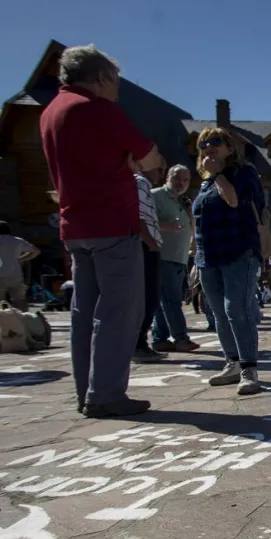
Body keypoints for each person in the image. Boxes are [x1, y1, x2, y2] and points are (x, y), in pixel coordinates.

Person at [40, 44, 164, 418]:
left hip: (75, 226)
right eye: (115, 83)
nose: (118, 91)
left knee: (84, 312)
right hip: (112, 222)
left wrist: (127, 160)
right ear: (101, 78)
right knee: (119, 311)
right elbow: (151, 156)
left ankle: (88, 391)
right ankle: (107, 393)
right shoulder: (96, 109)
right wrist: (133, 162)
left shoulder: (50, 113)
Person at [191, 127, 264, 395]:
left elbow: (233, 200)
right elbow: (197, 220)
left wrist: (219, 174)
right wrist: (193, 255)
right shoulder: (205, 183)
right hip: (207, 257)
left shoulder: (243, 173)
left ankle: (249, 368)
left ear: (229, 148)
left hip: (238, 251)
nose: (208, 147)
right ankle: (231, 362)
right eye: (203, 145)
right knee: (219, 314)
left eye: (214, 142)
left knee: (237, 309)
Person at [150, 164, 198, 353]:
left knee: (165, 301)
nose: (181, 183)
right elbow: (142, 220)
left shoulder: (183, 201)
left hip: (179, 258)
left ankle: (159, 338)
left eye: (186, 180)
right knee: (171, 300)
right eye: (177, 178)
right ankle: (181, 338)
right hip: (162, 256)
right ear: (168, 177)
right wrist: (164, 226)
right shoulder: (156, 196)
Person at [132, 162, 165, 363]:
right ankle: (138, 345)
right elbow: (139, 216)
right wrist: (152, 244)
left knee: (146, 298)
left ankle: (138, 343)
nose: (161, 174)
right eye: (160, 168)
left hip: (140, 246)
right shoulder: (141, 182)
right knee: (148, 298)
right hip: (144, 247)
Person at [0, 222, 40, 310]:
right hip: (15, 275)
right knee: (20, 300)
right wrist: (21, 259)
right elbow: (36, 251)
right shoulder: (17, 240)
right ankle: (24, 320)